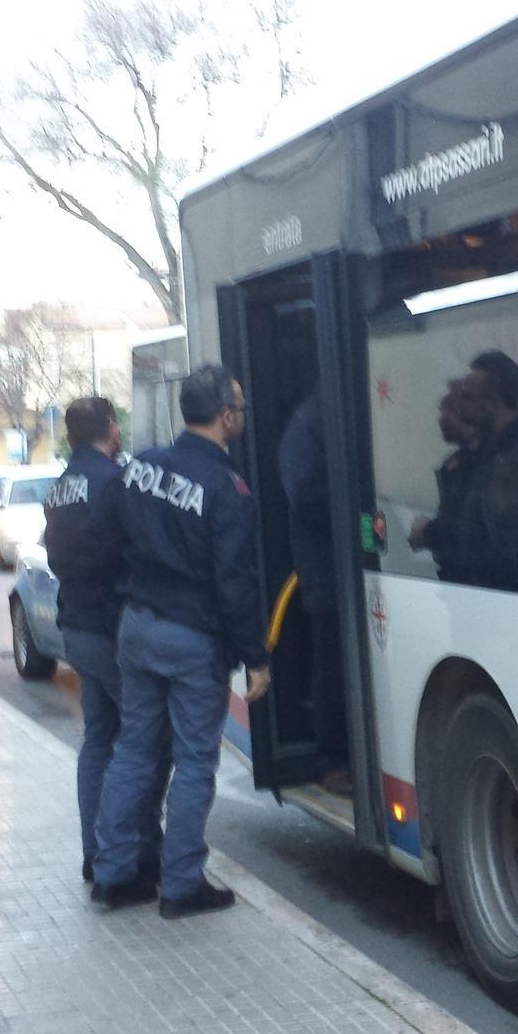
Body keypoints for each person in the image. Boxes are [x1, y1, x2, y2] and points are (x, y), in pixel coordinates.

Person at [91, 364, 271, 918]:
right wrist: (256, 657)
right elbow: (235, 582)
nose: (242, 415)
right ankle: (181, 885)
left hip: (137, 626)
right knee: (194, 761)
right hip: (192, 638)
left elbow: (112, 539)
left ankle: (113, 875)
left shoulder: (141, 466)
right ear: (225, 416)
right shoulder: (226, 488)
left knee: (133, 749)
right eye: (240, 407)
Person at [43, 396, 167, 885]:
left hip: (76, 627)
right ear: (112, 428)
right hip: (112, 630)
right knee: (144, 741)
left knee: (98, 739)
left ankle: (94, 852)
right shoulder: (114, 483)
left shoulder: (60, 488)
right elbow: (138, 551)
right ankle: (136, 849)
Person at [410, 351, 518, 598]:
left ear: (495, 402)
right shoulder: (484, 453)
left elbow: (489, 535)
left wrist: (429, 533)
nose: (461, 406)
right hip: (490, 595)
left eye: (468, 397)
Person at [277, 392, 350, 796]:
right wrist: (354, 492)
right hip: (326, 568)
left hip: (346, 565)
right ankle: (333, 759)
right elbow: (305, 496)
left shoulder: (333, 412)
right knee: (333, 666)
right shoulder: (307, 424)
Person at [407, 378, 480, 581]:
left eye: (448, 409)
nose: (441, 418)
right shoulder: (457, 463)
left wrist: (427, 533)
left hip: (480, 585)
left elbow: (473, 529)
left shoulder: (484, 464)